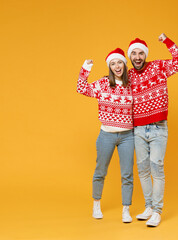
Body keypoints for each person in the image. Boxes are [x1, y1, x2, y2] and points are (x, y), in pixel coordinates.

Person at [127, 33, 178, 227]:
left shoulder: (158, 67)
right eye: (133, 53)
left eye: (140, 53)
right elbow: (110, 86)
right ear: (130, 56)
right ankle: (149, 207)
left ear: (145, 55)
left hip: (158, 127)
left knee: (156, 168)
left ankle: (158, 211)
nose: (137, 57)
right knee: (143, 170)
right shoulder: (127, 75)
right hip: (138, 129)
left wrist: (167, 41)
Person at [77, 48, 135, 223]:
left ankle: (126, 209)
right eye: (113, 63)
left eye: (119, 62)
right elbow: (81, 88)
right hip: (106, 135)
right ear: (109, 66)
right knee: (100, 171)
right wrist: (85, 69)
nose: (117, 66)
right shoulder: (103, 84)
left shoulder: (131, 84)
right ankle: (96, 204)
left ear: (124, 64)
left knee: (127, 174)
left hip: (128, 136)